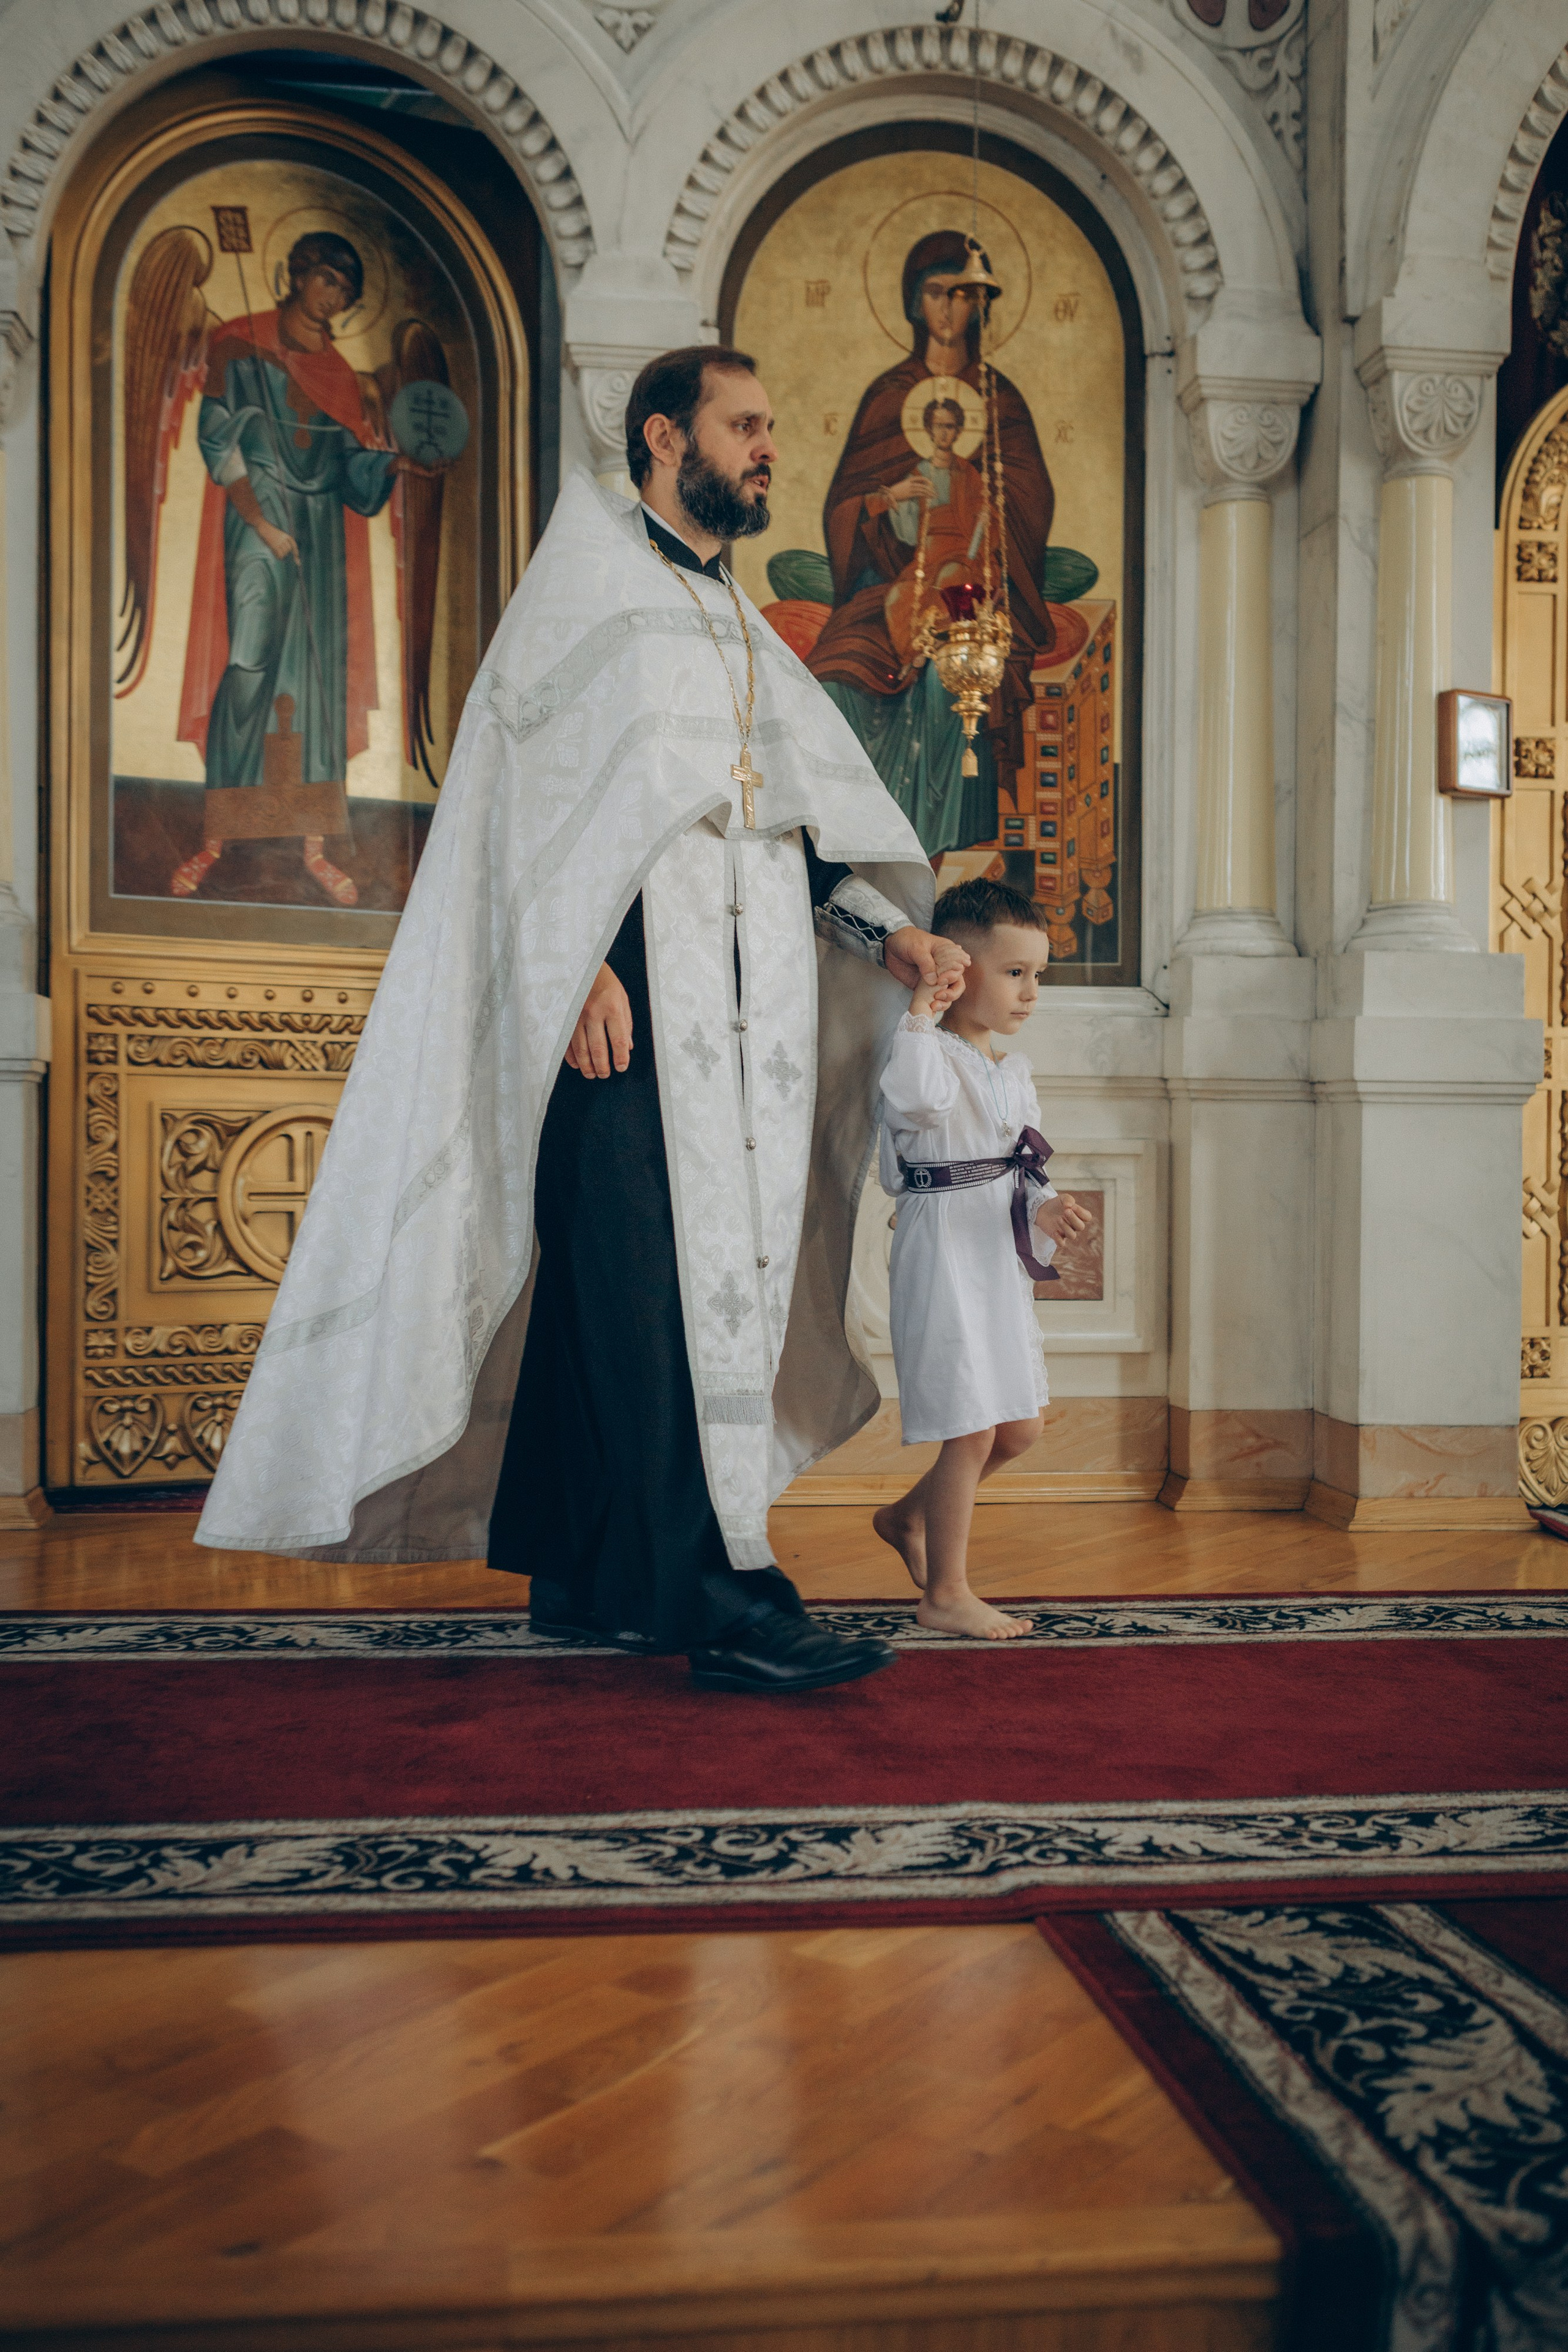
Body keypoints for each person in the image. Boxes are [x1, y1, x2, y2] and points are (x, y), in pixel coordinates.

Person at [197, 344, 968, 1697]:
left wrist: (883, 929)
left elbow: (775, 829)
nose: (768, 448)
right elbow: (522, 829)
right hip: (613, 1013)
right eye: (746, 425)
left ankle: (589, 1570)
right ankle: (725, 1595)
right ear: (666, 438)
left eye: (771, 426)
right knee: (644, 1294)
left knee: (634, 1291)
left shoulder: (736, 623)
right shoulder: (587, 591)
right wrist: (578, 971)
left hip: (738, 1031)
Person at [173, 232, 435, 908]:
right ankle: (217, 837)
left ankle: (314, 847)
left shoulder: (341, 374)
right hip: (259, 524)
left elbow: (349, 466)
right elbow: (216, 435)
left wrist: (393, 466)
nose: (336, 300)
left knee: (318, 681)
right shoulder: (239, 342)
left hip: (319, 537)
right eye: (328, 283)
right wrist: (261, 523)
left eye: (347, 293)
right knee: (252, 661)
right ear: (295, 276)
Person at [872, 880, 1093, 1639]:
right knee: (969, 1425)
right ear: (958, 971)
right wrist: (921, 1013)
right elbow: (915, 1107)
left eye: (1040, 975)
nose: (1031, 992)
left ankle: (907, 1517)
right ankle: (946, 1592)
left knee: (1018, 1428)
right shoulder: (922, 1053)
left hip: (996, 1250)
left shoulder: (1012, 1071)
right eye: (1014, 973)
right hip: (944, 1251)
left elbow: (1022, 1165)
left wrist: (1049, 1206)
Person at [807, 230, 1056, 860]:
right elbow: (845, 504)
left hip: (966, 592)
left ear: (980, 308)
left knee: (951, 678)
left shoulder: (999, 404)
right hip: (889, 585)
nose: (948, 309)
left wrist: (996, 509)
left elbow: (1030, 499)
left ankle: (930, 857)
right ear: (913, 303)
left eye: (962, 296)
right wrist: (884, 499)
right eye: (936, 293)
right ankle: (848, 850)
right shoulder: (889, 398)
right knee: (833, 676)